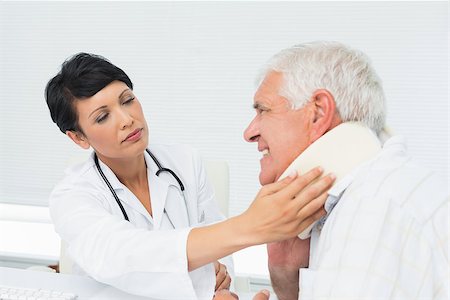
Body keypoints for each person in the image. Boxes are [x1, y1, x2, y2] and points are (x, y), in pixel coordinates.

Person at [45, 53, 335, 300]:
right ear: (79, 137)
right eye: (102, 117)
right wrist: (250, 226)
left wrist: (222, 291)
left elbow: (220, 257)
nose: (127, 119)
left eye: (127, 100)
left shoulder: (185, 162)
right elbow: (122, 257)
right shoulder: (71, 197)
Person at [242, 41, 449, 299]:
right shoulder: (356, 198)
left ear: (318, 112)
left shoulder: (374, 205)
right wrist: (287, 276)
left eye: (263, 110)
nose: (249, 133)